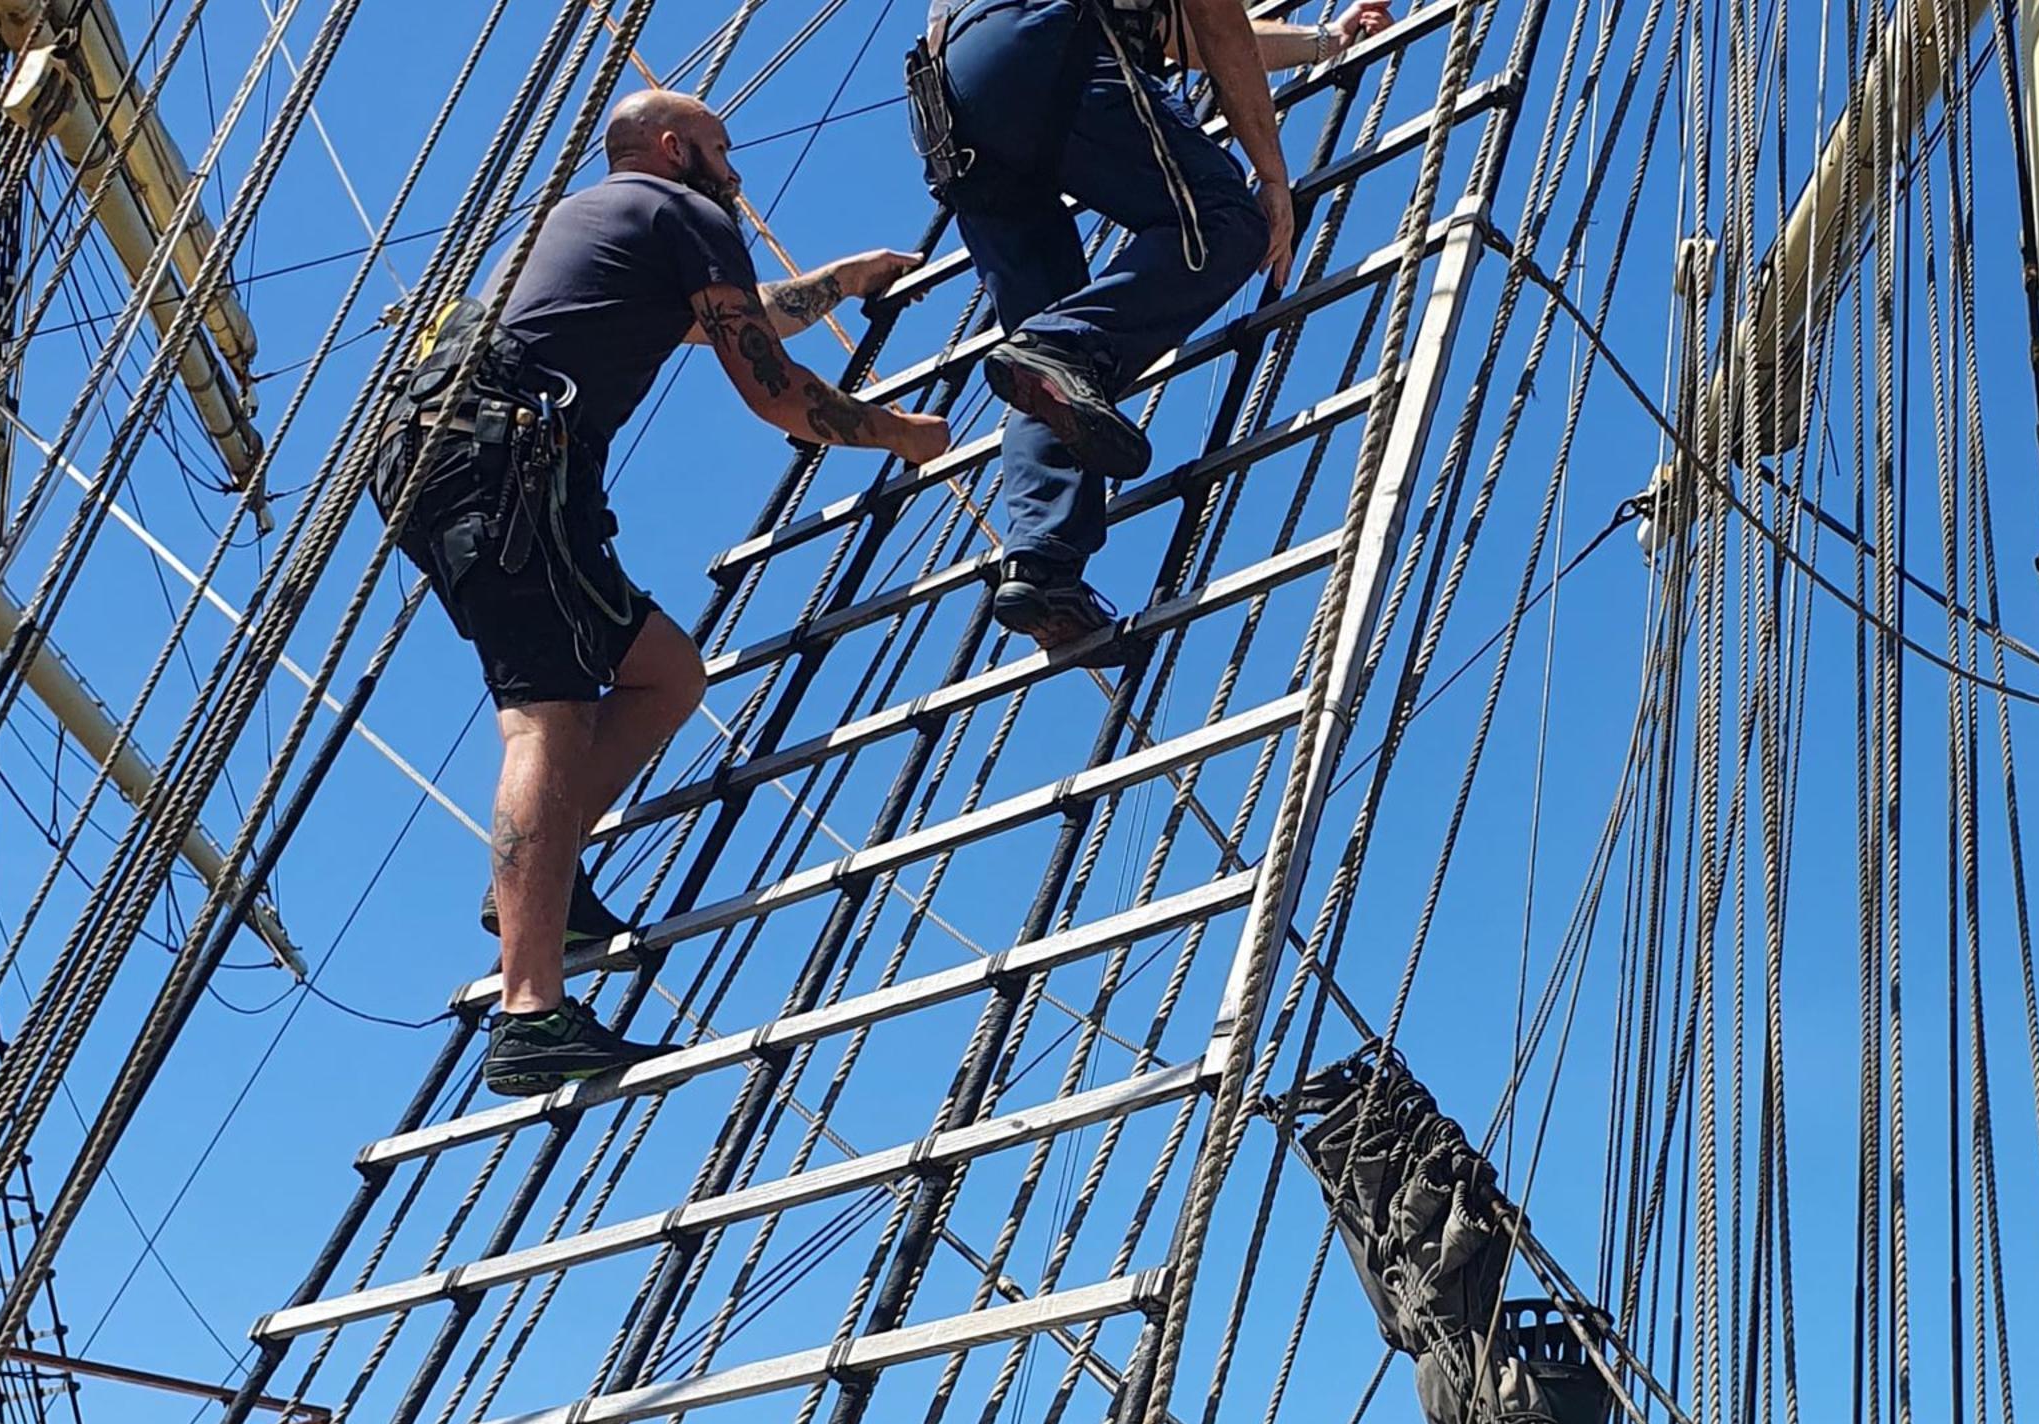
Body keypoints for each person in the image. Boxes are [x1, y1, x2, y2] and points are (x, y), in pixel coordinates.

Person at [374, 89, 951, 1098]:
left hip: (456, 461)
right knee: (545, 715)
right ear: (678, 149)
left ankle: (542, 884)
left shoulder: (597, 222)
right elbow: (773, 389)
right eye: (724, 150)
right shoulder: (685, 211)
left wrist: (842, 279)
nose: (737, 171)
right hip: (510, 468)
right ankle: (531, 1014)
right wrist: (901, 434)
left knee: (667, 673)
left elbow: (743, 317)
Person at [912, 0, 1394, 648]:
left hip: (950, 104)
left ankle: (1043, 568)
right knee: (1225, 222)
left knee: (1046, 364)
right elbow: (1218, 23)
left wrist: (1325, 41)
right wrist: (1273, 178)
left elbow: (1195, 38)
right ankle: (1062, 352)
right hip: (1042, 39)